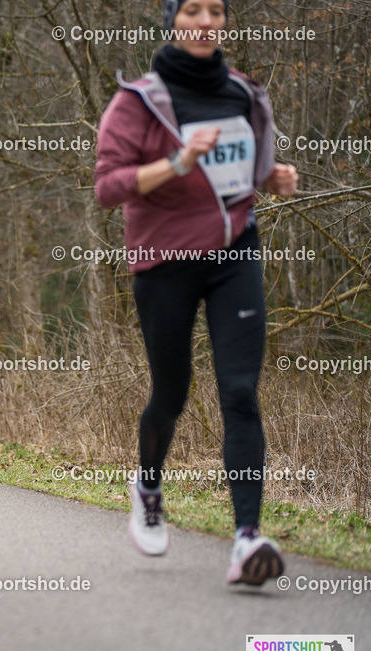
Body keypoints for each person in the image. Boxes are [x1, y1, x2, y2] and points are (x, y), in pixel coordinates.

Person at [94, 0, 299, 585]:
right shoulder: (137, 101)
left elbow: (246, 170)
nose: (206, 20)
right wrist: (177, 161)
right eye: (192, 9)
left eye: (216, 10)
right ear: (172, 21)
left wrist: (273, 178)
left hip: (235, 253)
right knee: (171, 393)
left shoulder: (243, 93)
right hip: (165, 262)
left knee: (240, 391)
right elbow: (109, 188)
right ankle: (149, 486)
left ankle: (246, 538)